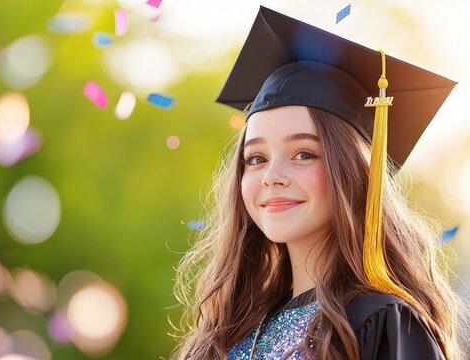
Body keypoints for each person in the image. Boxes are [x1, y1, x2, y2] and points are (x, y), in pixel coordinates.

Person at [171, 6, 467, 360]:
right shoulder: (229, 333)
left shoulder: (379, 322)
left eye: (303, 154)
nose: (272, 176)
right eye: (256, 158)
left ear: (354, 172)